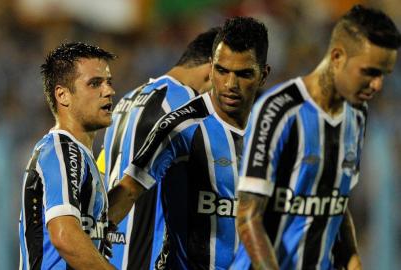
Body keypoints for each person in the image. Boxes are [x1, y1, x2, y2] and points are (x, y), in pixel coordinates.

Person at [233, 5, 401, 270]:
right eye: (369, 71)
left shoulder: (356, 114)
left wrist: (352, 257)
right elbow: (247, 215)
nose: (378, 84)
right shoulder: (279, 109)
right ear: (337, 57)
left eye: (384, 74)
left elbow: (336, 198)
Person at [107, 16, 270, 269]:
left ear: (263, 75)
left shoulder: (272, 131)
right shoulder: (180, 119)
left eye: (244, 74)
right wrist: (91, 237)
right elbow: (127, 189)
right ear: (210, 67)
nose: (230, 84)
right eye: (222, 71)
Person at [97, 27, 220, 270]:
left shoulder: (126, 100)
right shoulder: (187, 104)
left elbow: (103, 168)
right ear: (211, 69)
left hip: (110, 254)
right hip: (149, 259)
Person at [19, 42, 117, 269]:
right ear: (63, 95)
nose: (109, 91)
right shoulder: (63, 150)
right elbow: (65, 236)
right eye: (95, 83)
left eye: (109, 82)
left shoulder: (78, 155)